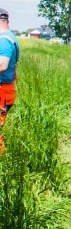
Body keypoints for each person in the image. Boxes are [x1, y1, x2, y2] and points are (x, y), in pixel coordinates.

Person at [0, 8, 20, 153]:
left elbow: (2, 65)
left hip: (2, 91)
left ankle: (2, 158)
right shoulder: (10, 37)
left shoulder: (4, 40)